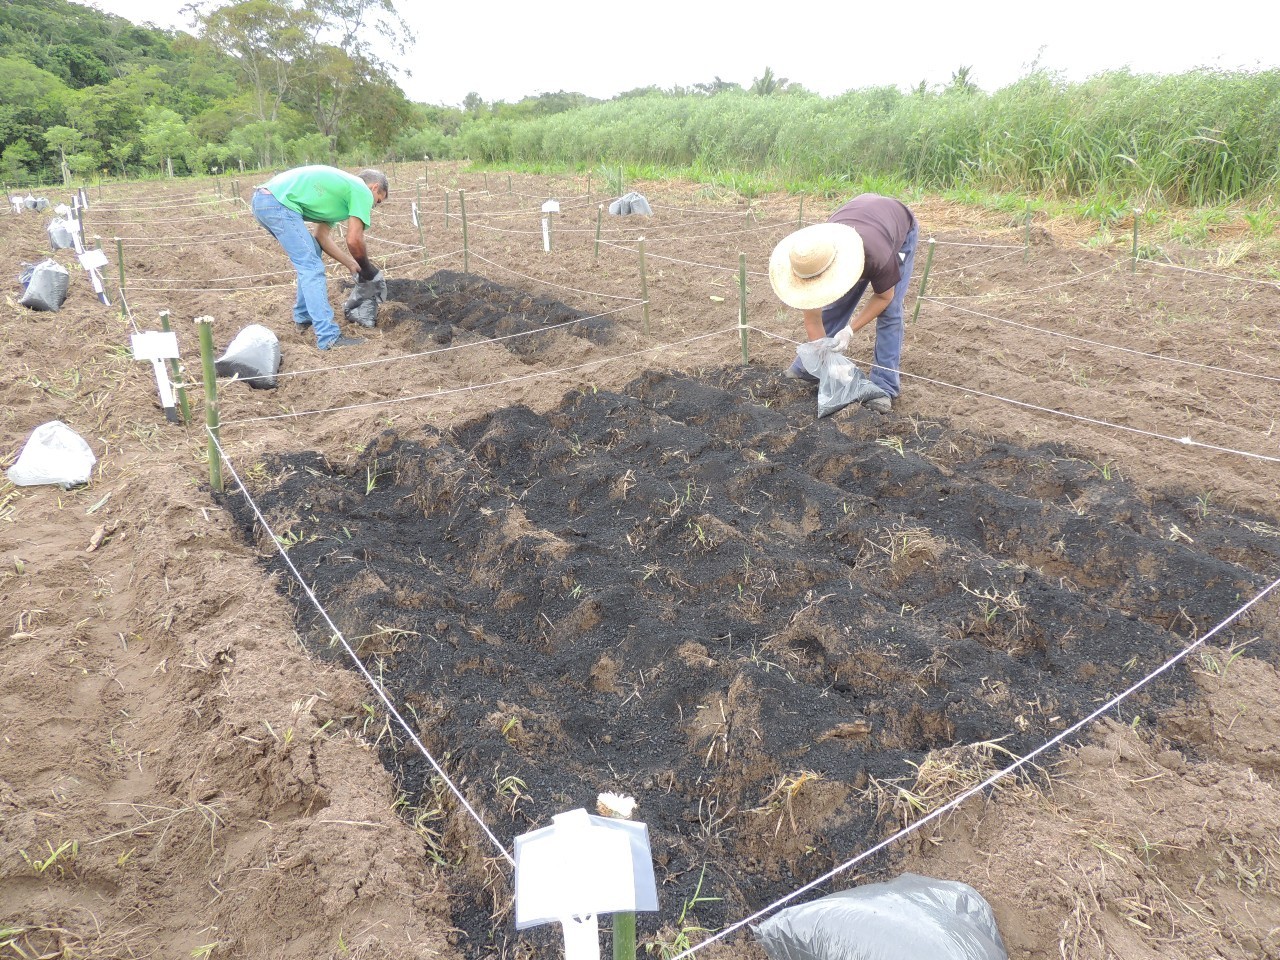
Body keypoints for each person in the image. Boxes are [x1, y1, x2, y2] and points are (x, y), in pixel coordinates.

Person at [768, 194, 919, 413]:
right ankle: (807, 368)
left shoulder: (877, 256)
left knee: (891, 313)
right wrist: (826, 360)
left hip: (896, 229)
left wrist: (849, 330)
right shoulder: (811, 257)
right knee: (835, 302)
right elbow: (813, 318)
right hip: (861, 218)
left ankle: (884, 385)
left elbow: (884, 298)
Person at [250, 165, 389, 350]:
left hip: (265, 201)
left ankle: (304, 317)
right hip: (276, 203)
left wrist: (351, 263)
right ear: (374, 187)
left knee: (311, 254)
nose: (373, 206)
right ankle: (328, 338)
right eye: (378, 201)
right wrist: (368, 269)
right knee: (312, 267)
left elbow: (321, 238)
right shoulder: (361, 190)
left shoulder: (339, 195)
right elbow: (354, 240)